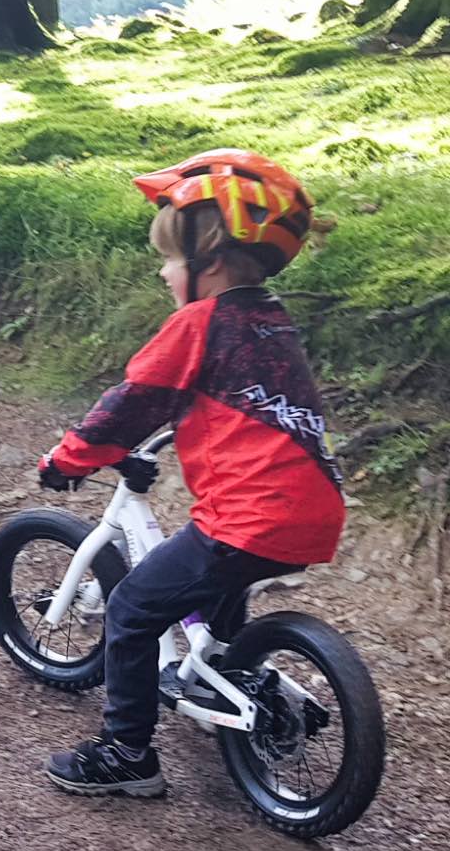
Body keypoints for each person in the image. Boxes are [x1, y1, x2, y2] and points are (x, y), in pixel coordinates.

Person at [35, 149, 341, 798]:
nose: (165, 274)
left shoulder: (198, 323)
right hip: (311, 509)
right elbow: (251, 403)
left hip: (248, 516)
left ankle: (126, 756)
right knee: (212, 589)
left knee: (133, 606)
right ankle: (221, 680)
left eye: (170, 261)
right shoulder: (270, 321)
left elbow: (133, 401)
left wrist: (69, 459)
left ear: (211, 258)